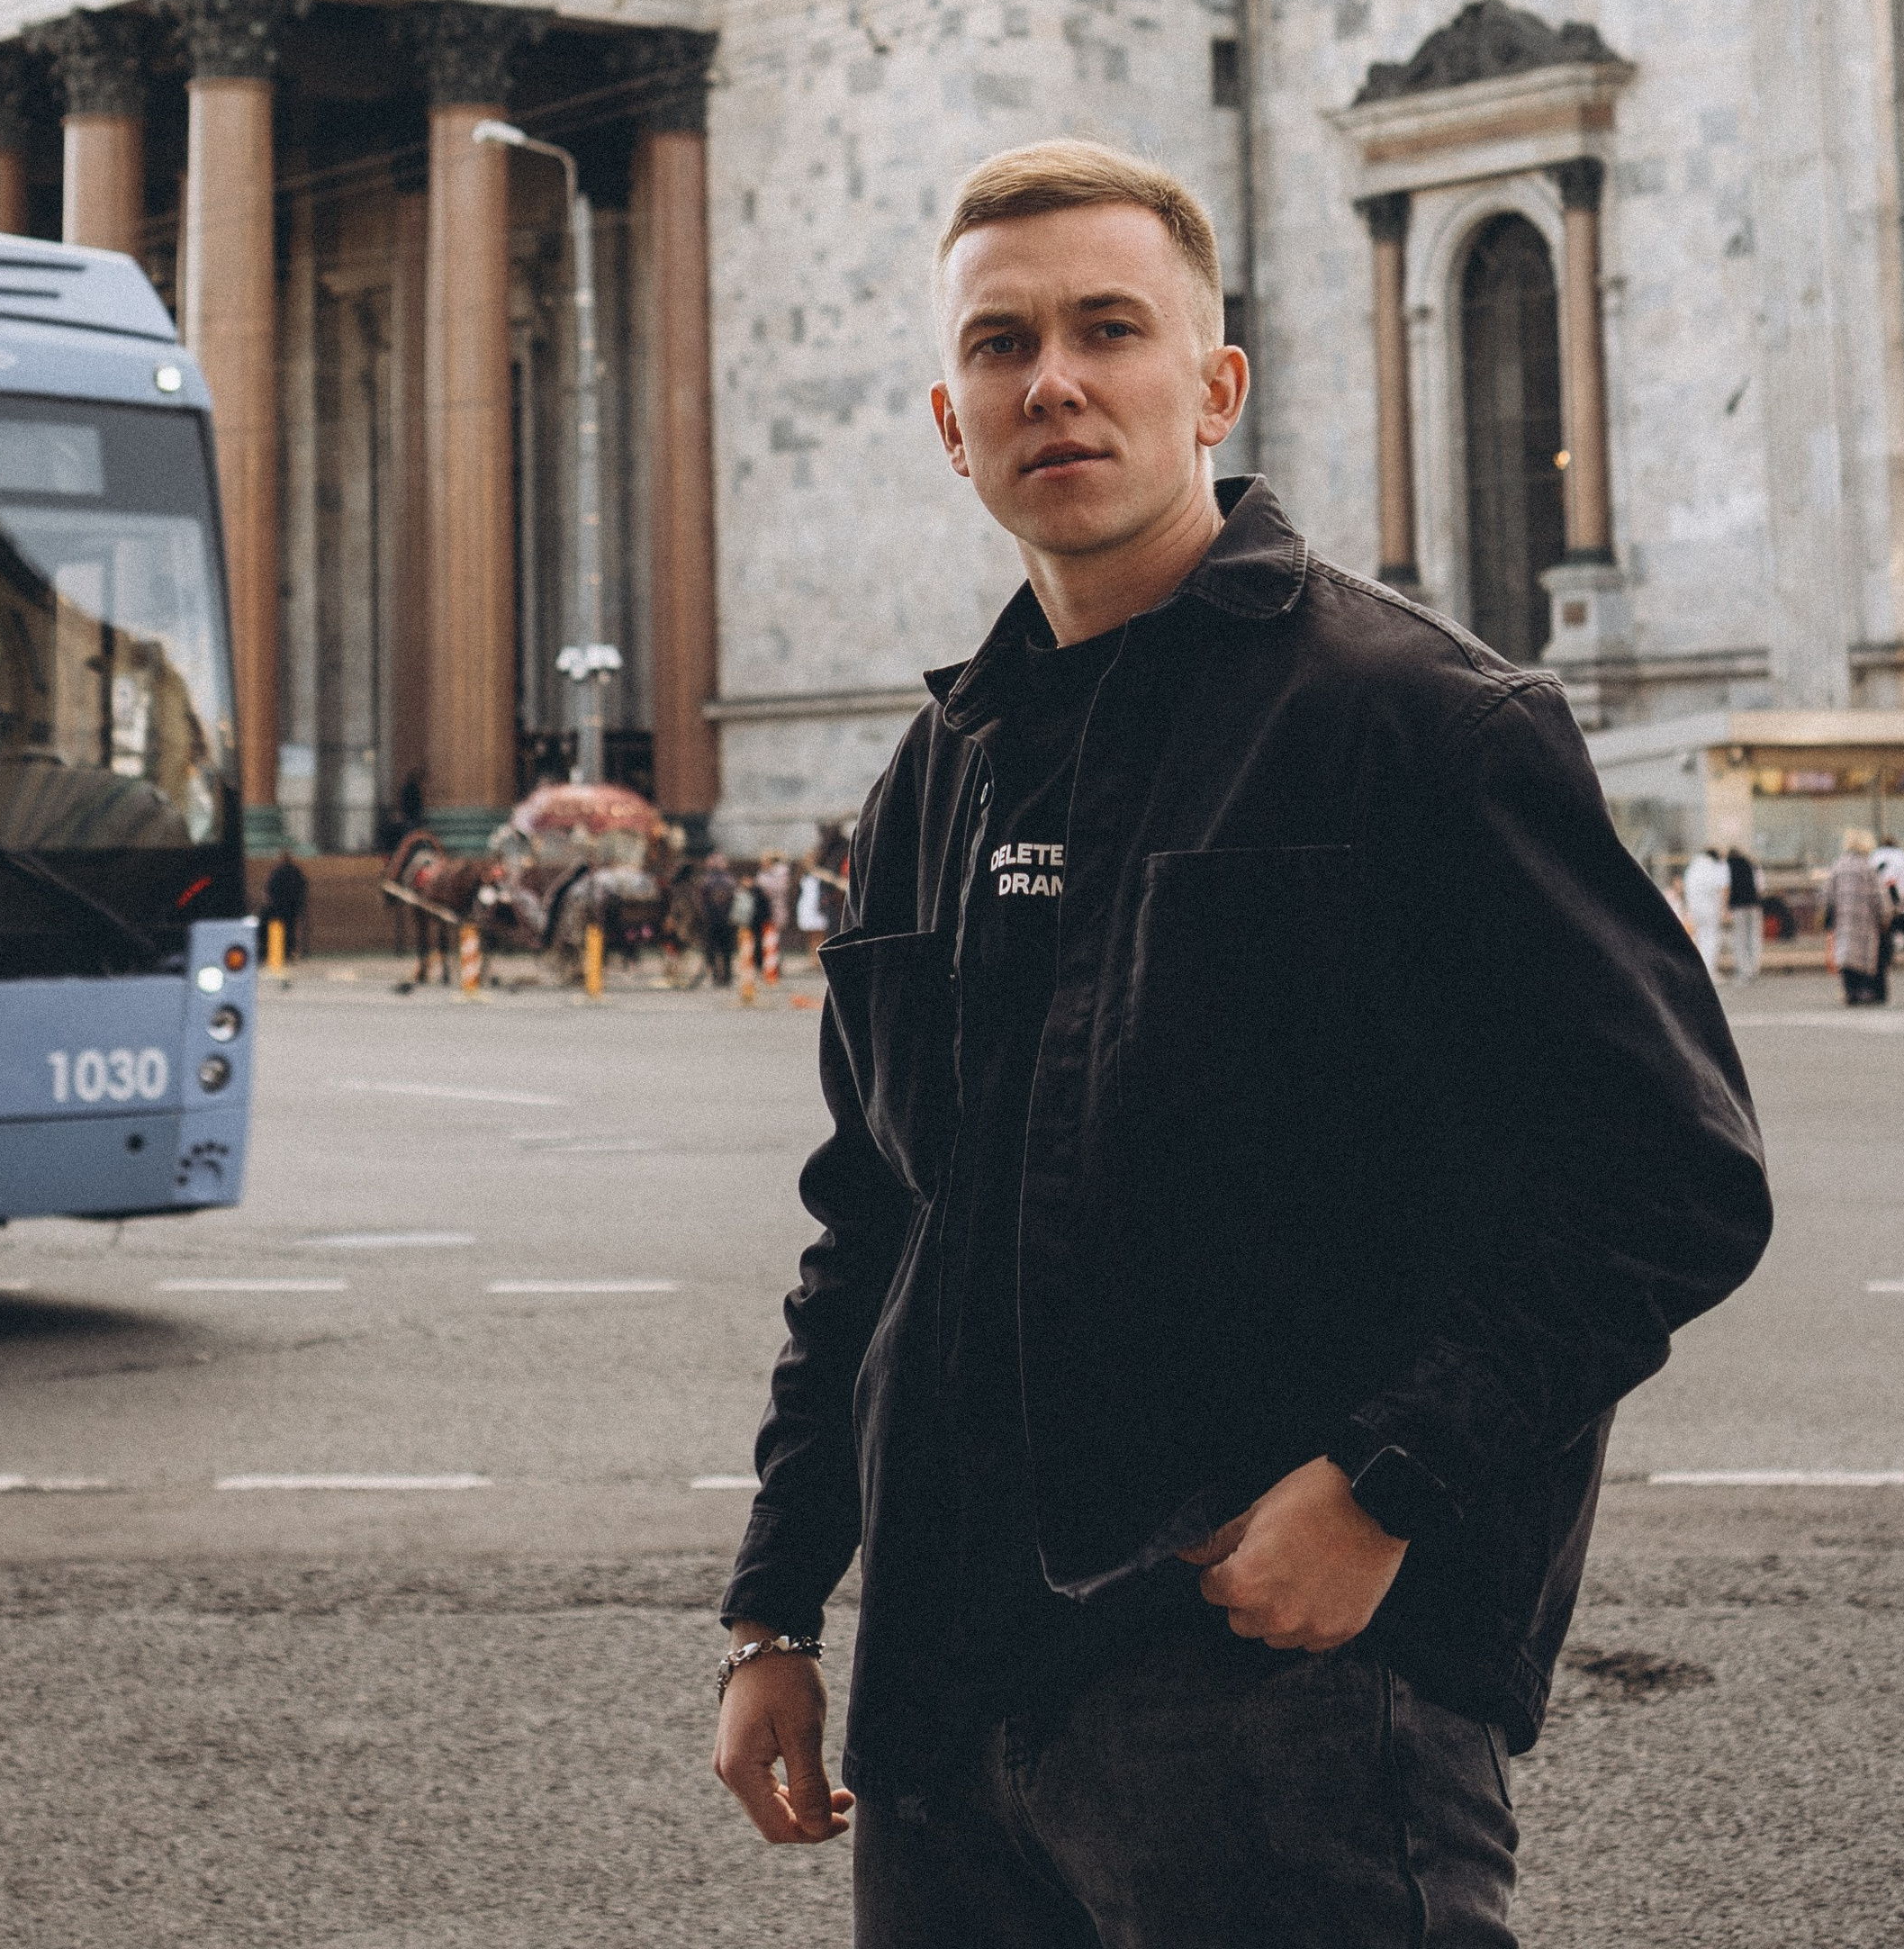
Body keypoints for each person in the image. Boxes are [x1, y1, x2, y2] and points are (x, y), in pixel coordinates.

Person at [712, 140, 1771, 1944]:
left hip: (1277, 1687)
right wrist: (778, 1608)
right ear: (946, 424)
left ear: (1210, 386)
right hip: (951, 1702)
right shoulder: (931, 781)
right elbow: (874, 1220)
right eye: (999, 344)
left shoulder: (1418, 726)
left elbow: (1669, 1178)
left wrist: (1382, 1490)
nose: (1050, 378)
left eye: (1105, 329)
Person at [1829, 828, 1895, 1007]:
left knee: (1847, 955)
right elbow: (1880, 897)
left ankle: (1851, 991)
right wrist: (1886, 915)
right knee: (1866, 956)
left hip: (1844, 919)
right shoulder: (1868, 868)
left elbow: (1828, 894)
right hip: (1865, 920)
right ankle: (1867, 991)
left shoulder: (1838, 866)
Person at [1683, 843, 1730, 977]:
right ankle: (1710, 972)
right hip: (1710, 908)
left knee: (1700, 939)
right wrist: (1724, 909)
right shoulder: (1712, 867)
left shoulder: (1692, 867)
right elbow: (1722, 887)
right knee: (1711, 939)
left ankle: (1700, 971)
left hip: (1695, 908)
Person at [697, 851, 738, 988]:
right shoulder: (730, 880)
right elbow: (734, 900)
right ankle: (727, 977)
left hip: (712, 919)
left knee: (713, 949)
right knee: (726, 951)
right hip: (727, 919)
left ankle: (716, 977)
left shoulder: (706, 880)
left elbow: (701, 902)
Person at [1725, 844, 1764, 985]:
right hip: (1754, 906)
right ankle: (1754, 969)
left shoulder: (1727, 866)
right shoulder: (1752, 865)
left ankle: (1744, 972)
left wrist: (1725, 908)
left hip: (1738, 907)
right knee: (1753, 938)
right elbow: (1760, 887)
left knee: (1740, 940)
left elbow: (1726, 887)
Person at [261, 852, 309, 964]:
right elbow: (302, 888)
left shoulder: (277, 872)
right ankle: (289, 953)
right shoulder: (295, 872)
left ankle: (278, 954)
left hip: (279, 906)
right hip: (292, 907)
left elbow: (270, 888)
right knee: (290, 930)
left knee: (278, 929)